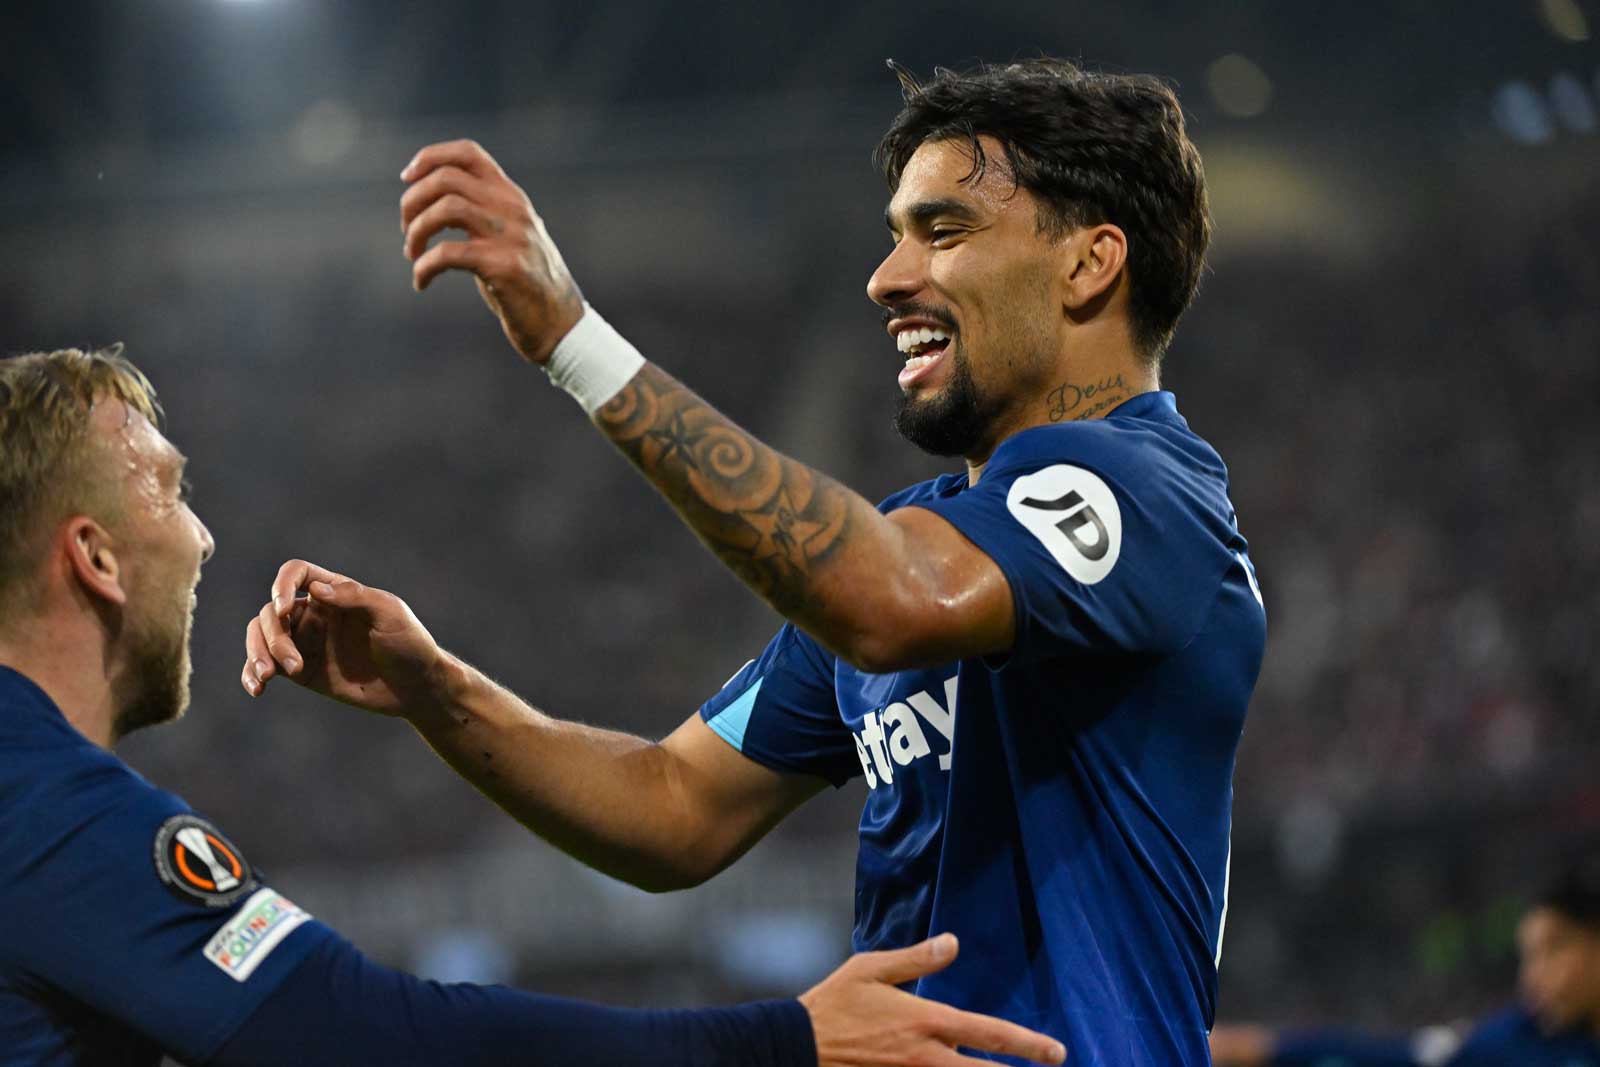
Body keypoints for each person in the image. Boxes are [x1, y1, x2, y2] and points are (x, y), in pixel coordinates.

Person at [247, 58, 1266, 1065]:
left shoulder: (1149, 492)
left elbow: (896, 599)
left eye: (943, 230)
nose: (886, 277)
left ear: (1089, 264)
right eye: (894, 236)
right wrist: (433, 685)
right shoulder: (919, 535)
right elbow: (671, 806)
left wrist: (575, 338)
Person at [0, 346, 1066, 1067]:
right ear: (92, 555)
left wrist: (434, 687)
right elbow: (357, 1031)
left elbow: (675, 801)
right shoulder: (42, 809)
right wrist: (783, 1040)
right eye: (172, 491)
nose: (202, 536)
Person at [1208, 853, 1600, 1067]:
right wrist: (1265, 1050)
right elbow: (1393, 1055)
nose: (1533, 977)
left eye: (1555, 950)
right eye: (1528, 957)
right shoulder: (1517, 1043)